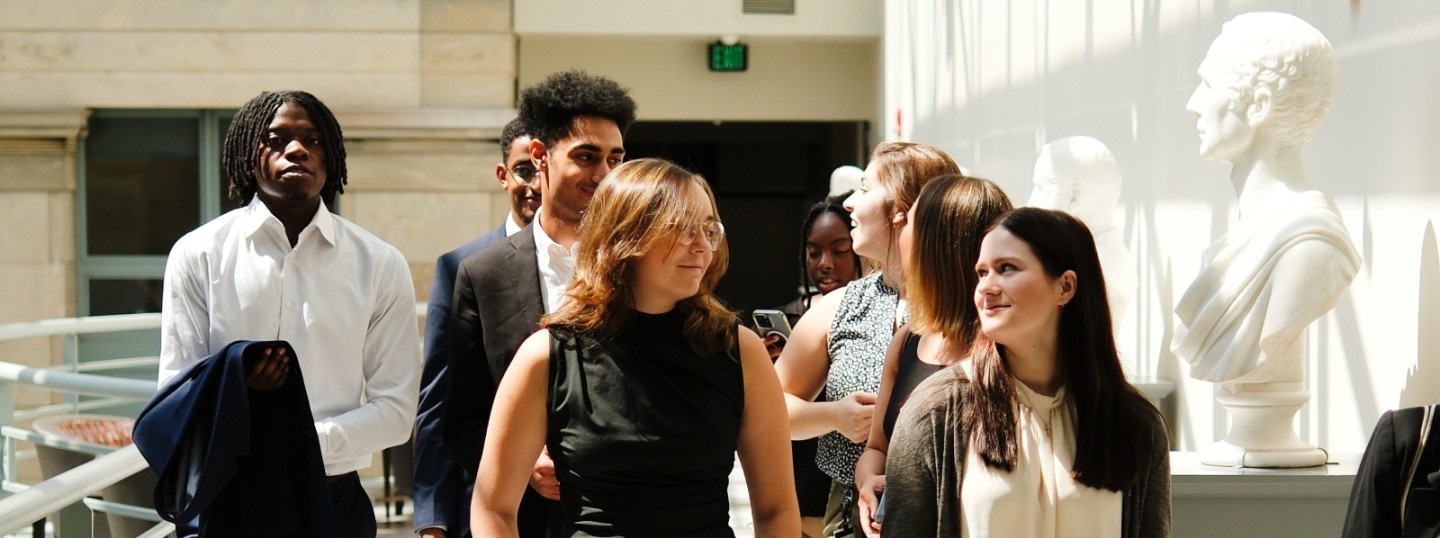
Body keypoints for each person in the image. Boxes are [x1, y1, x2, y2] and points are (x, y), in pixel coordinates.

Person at [470, 158, 800, 537]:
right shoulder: (546, 356)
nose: (702, 247)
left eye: (709, 229)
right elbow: (493, 507)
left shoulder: (739, 351)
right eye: (682, 229)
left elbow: (776, 510)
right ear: (624, 236)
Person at [158, 90, 421, 537]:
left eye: (313, 140)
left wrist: (298, 444)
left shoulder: (379, 263)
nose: (296, 149)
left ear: (332, 157)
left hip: (334, 505)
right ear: (249, 154)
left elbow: (396, 409)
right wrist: (236, 383)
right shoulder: (198, 253)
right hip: (227, 505)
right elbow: (175, 393)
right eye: (276, 139)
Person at [885, 207, 1171, 537]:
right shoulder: (936, 412)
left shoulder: (1135, 424)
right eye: (982, 273)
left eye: (1006, 268)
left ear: (1065, 287)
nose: (986, 288)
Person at [446, 69, 637, 537]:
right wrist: (524, 461)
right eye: (587, 156)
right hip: (520, 520)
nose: (605, 175)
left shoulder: (643, 265)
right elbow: (461, 416)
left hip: (629, 514)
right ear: (540, 156)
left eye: (616, 158)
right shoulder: (482, 274)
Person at [1172, 12, 1359, 467]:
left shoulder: (1311, 246)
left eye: (1208, 84)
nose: (1193, 104)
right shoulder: (1248, 237)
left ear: (1257, 106)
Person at [774, 141, 961, 536]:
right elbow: (770, 408)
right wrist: (834, 416)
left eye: (864, 188)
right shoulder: (840, 306)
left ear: (900, 210)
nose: (848, 205)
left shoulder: (965, 308)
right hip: (850, 518)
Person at [852, 174, 1012, 537]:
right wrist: (869, 482)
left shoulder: (1006, 354)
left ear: (936, 246)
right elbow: (877, 447)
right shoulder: (908, 340)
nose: (900, 228)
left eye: (910, 221)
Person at [414, 117, 536, 538]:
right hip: (483, 494)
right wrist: (432, 518)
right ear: (503, 176)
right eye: (524, 169)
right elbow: (438, 399)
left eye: (543, 169)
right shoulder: (461, 266)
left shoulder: (597, 263)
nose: (535, 183)